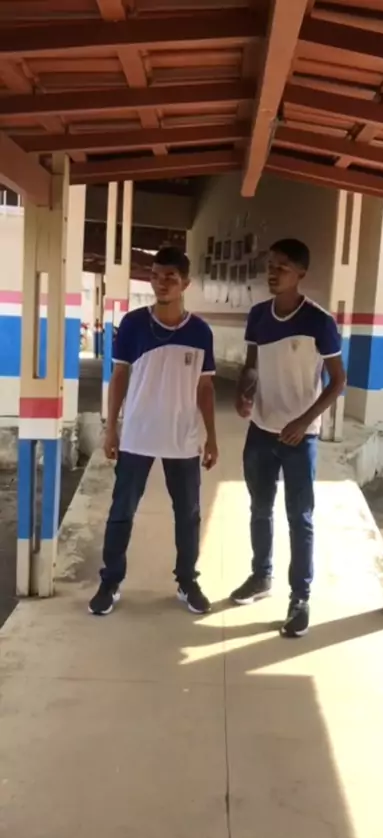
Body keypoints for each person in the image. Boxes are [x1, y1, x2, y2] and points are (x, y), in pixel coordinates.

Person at [88, 246, 218, 617]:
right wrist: (111, 428)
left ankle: (187, 581)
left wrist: (211, 436)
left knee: (188, 514)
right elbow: (119, 375)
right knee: (122, 510)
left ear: (185, 283)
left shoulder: (200, 331)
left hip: (182, 438)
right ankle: (110, 582)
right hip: (137, 435)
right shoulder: (132, 324)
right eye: (156, 276)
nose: (162, 283)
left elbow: (205, 387)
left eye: (170, 277)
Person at [231, 238, 346, 638]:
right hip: (261, 430)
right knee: (259, 508)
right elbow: (251, 365)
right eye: (271, 265)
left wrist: (304, 421)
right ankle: (261, 576)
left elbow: (338, 381)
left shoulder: (319, 321)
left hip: (300, 437)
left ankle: (300, 598)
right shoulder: (258, 316)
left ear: (301, 274)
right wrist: (244, 392)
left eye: (282, 266)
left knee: (300, 517)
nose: (273, 272)